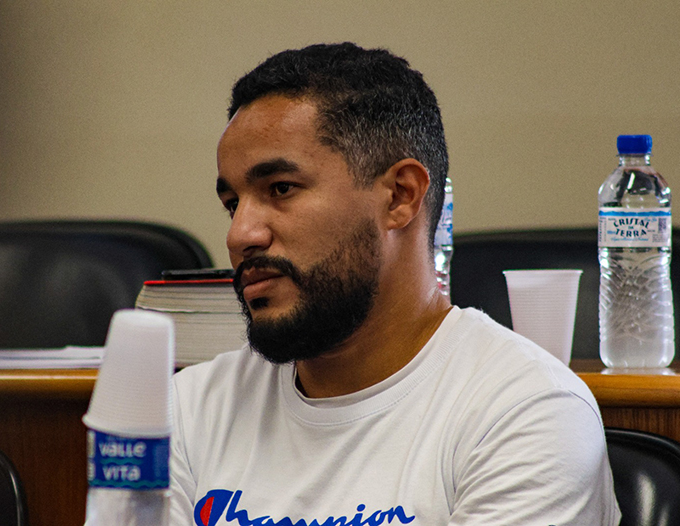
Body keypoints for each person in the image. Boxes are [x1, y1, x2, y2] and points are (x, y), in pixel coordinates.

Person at [170, 42, 620, 525]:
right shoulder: (186, 409)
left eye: (281, 189)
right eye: (232, 204)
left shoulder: (527, 411)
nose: (240, 235)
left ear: (400, 196)